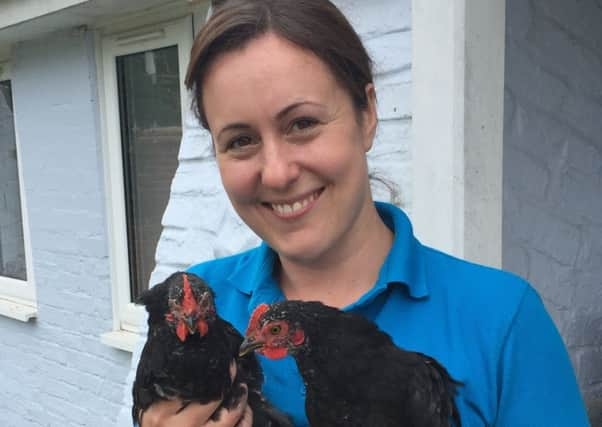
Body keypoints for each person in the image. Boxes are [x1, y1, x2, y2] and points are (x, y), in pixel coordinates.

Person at [137, 0, 590, 426]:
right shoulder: (199, 305)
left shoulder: (501, 321)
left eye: (303, 124)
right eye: (240, 140)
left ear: (368, 114)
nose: (276, 173)